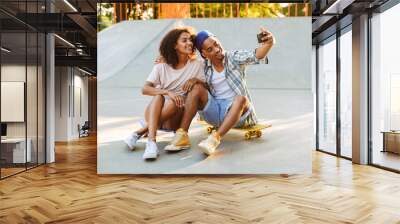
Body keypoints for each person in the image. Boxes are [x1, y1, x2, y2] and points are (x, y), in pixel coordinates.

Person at [164, 28, 275, 155]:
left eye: (216, 44)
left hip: (238, 114)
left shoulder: (233, 57)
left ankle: (213, 140)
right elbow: (181, 60)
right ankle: (182, 136)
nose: (216, 49)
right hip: (215, 112)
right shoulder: (203, 66)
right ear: (204, 54)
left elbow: (257, 55)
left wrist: (269, 43)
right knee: (196, 88)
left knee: (241, 99)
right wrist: (164, 59)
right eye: (210, 49)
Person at [124, 27, 205, 160]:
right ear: (174, 45)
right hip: (155, 111)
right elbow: (145, 89)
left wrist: (195, 79)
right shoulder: (161, 65)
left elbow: (206, 85)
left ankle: (139, 133)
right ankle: (151, 143)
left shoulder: (197, 65)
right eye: (184, 40)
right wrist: (167, 91)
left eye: (190, 40)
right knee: (159, 95)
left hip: (175, 118)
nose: (189, 43)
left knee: (174, 102)